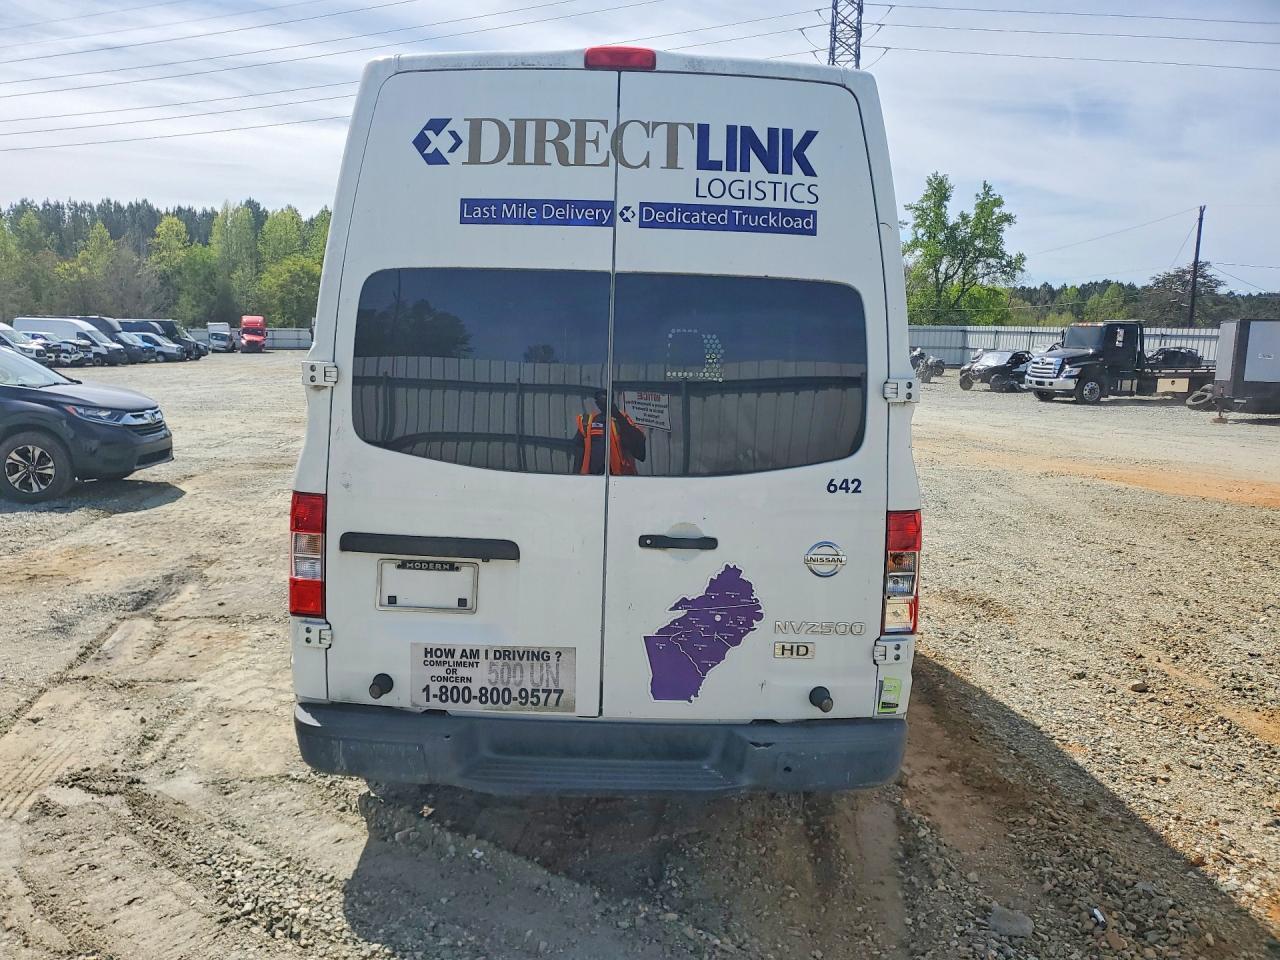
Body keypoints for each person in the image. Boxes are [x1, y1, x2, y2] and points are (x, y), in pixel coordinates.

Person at [573, 390, 646, 475]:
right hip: (592, 479)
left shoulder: (623, 420)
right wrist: (574, 478)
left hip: (620, 479)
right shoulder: (587, 422)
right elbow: (579, 454)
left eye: (608, 399)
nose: (605, 402)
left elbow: (639, 452)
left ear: (612, 400)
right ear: (597, 403)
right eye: (602, 399)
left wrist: (618, 416)